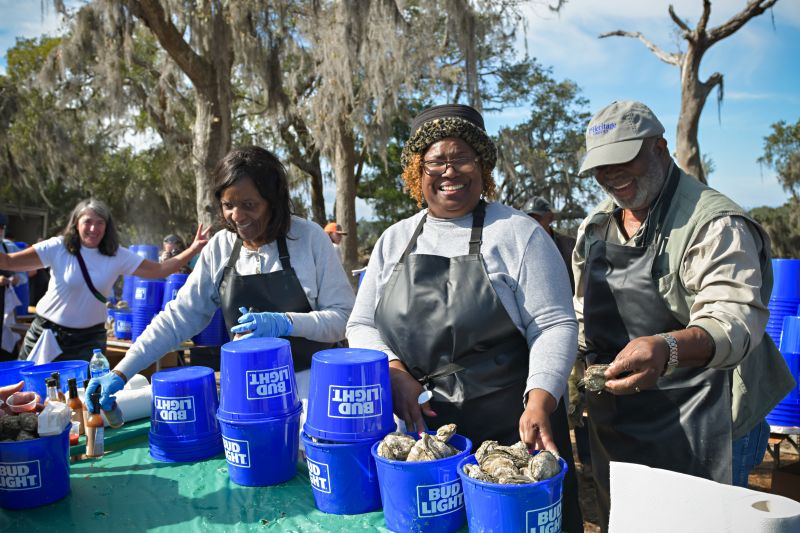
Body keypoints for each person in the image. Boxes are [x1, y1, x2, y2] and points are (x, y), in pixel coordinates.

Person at [347, 104, 583, 532]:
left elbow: (554, 324)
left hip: (514, 429)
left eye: (463, 158)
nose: (449, 170)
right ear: (417, 171)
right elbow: (360, 324)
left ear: (484, 167)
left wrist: (541, 400)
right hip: (427, 442)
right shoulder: (394, 240)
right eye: (436, 160)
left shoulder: (518, 233)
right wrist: (395, 371)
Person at [573, 100, 795, 530]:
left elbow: (734, 318)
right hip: (623, 422)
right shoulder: (595, 228)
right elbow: (583, 316)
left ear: (659, 149)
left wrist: (666, 347)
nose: (611, 174)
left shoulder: (714, 223)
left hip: (709, 419)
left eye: (624, 159)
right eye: (601, 166)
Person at [86, 146, 355, 417]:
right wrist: (121, 371)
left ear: (274, 200)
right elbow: (178, 318)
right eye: (228, 205)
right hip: (245, 395)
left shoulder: (309, 238)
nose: (236, 216)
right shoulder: (220, 248)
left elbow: (343, 319)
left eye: (249, 205)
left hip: (313, 391)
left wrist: (286, 322)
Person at [0, 198, 209, 362]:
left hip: (89, 339)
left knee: (84, 398)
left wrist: (193, 249)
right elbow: (8, 262)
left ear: (107, 226)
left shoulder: (116, 255)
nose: (93, 228)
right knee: (27, 395)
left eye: (100, 223)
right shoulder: (57, 247)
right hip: (47, 333)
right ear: (76, 224)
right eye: (87, 222)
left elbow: (160, 270)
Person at [524, 197, 591, 473]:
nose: (533, 221)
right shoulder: (524, 243)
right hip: (547, 334)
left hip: (575, 325)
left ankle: (587, 460)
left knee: (583, 399)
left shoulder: (567, 244)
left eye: (538, 216)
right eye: (530, 216)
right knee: (565, 399)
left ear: (549, 217)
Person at [0, 213, 29, 360]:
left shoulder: (8, 246)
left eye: (2, 227)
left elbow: (25, 273)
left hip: (5, 305)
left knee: (7, 347)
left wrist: (17, 278)